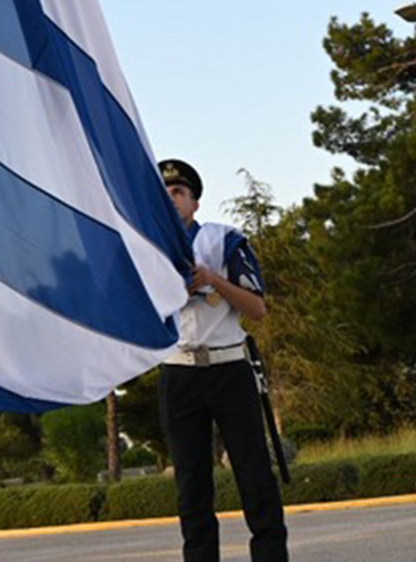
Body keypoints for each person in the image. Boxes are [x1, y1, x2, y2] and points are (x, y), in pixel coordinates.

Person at [157, 158, 286, 562]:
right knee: (192, 486)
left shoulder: (222, 239)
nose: (171, 200)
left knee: (253, 475)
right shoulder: (143, 248)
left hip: (228, 367)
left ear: (195, 202)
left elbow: (258, 309)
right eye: (163, 195)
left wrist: (213, 280)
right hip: (178, 371)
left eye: (178, 192)